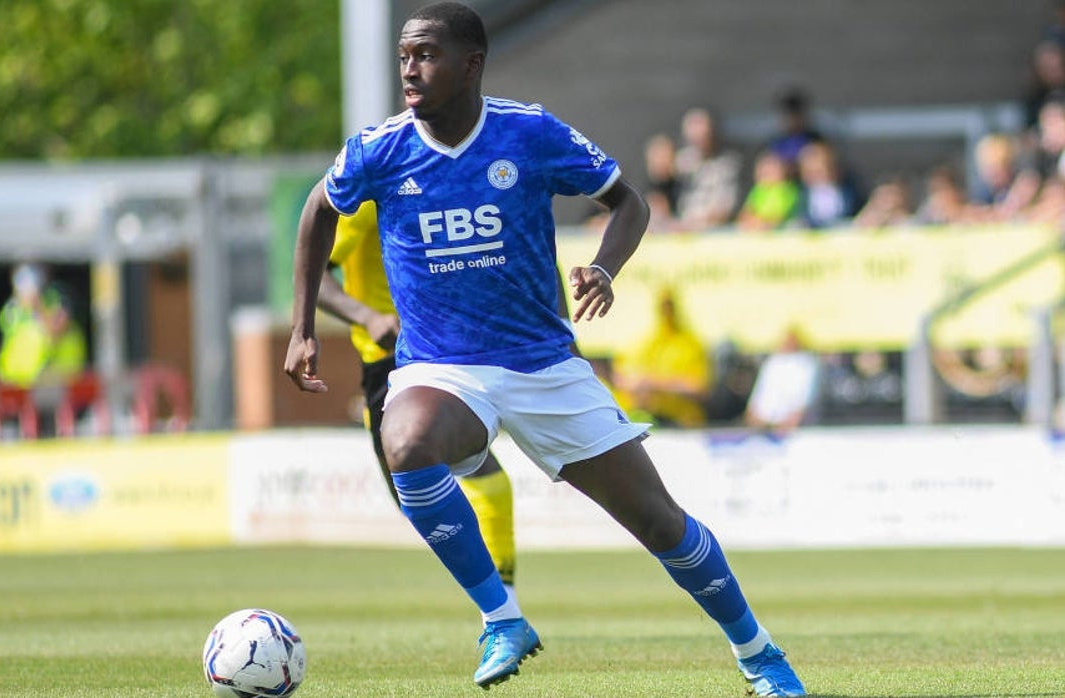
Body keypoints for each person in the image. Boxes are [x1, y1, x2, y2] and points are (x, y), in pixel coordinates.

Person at [283, 4, 806, 696]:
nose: (410, 68)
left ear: (472, 63)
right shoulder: (380, 149)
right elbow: (319, 209)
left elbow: (629, 203)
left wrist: (606, 269)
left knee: (660, 522)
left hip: (544, 366)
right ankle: (502, 617)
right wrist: (301, 328)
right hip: (444, 367)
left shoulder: (527, 133)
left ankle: (759, 654)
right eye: (405, 55)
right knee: (403, 440)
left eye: (427, 54)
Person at [318, 200, 518, 587]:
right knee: (415, 498)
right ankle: (499, 605)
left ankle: (503, 611)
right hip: (386, 360)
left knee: (490, 483)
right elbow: (312, 274)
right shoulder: (364, 201)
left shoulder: (442, 185)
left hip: (443, 355)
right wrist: (368, 317)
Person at [612, 287, 712, 428]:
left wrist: (655, 383)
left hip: (682, 422)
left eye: (669, 306)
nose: (667, 312)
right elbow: (622, 381)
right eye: (663, 306)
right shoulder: (643, 342)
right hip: (644, 419)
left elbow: (699, 388)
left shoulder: (691, 344)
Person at [0, 262, 87, 390]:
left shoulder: (71, 335)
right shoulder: (14, 312)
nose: (59, 318)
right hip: (14, 386)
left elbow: (54, 330)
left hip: (57, 392)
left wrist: (38, 307)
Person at [674, 106, 743, 231]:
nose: (697, 138)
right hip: (681, 231)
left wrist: (695, 223)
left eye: (702, 133)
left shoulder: (727, 164)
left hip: (713, 233)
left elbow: (725, 208)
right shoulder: (682, 161)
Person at [744, 327, 821, 435]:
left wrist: (788, 423)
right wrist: (756, 421)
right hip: (765, 429)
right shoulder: (772, 362)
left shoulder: (807, 364)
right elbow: (757, 400)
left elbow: (805, 401)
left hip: (792, 432)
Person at [738, 150, 802, 231]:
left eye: (772, 170)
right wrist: (753, 221)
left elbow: (780, 216)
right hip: (757, 229)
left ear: (784, 171)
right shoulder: (757, 191)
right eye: (764, 170)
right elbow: (746, 212)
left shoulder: (787, 191)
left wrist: (764, 223)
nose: (767, 174)